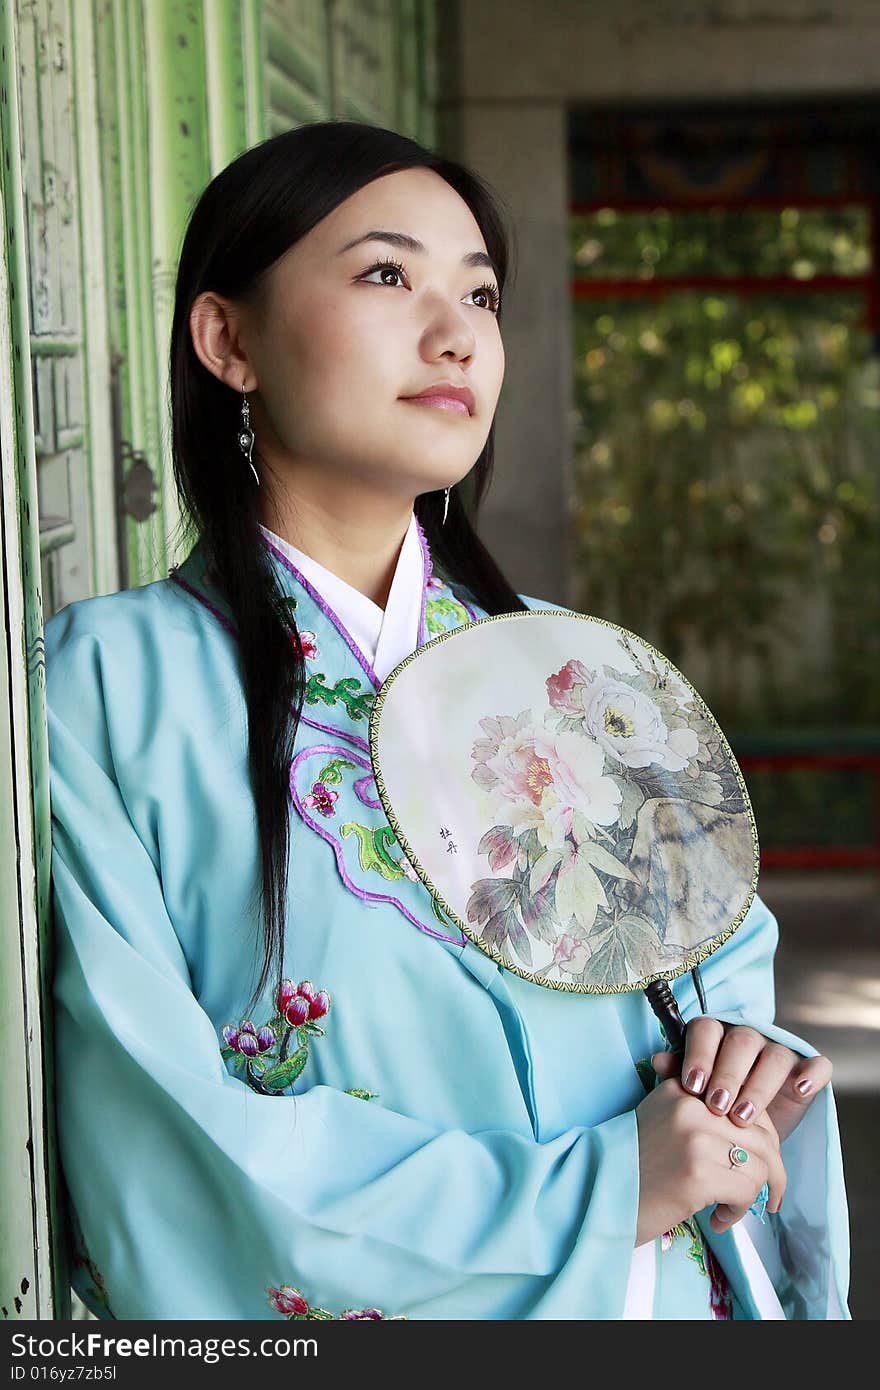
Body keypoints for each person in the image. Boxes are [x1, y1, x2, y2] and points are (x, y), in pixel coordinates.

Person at [45, 120, 850, 1321]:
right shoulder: (103, 684)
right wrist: (593, 1190)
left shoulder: (576, 669)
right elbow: (159, 1121)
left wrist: (740, 1052)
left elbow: (721, 959)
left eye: (478, 292)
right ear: (229, 339)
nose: (455, 330)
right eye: (387, 275)